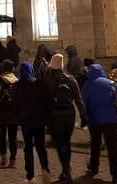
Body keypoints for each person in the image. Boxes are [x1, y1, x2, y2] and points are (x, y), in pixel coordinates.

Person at [44, 53, 86, 183]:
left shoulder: (48, 79)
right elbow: (79, 100)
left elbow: (44, 98)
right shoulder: (71, 79)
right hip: (69, 113)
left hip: (55, 114)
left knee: (59, 143)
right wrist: (84, 116)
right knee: (66, 143)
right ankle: (66, 170)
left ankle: (66, 170)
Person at [82, 64, 117, 184]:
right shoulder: (110, 83)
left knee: (95, 146)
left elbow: (83, 103)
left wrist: (84, 117)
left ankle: (93, 167)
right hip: (111, 120)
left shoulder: (88, 85)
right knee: (112, 148)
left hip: (94, 120)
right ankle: (116, 175)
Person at [15, 61, 51, 184]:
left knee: (28, 148)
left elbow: (15, 105)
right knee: (41, 147)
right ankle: (45, 168)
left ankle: (30, 175)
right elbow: (47, 101)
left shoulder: (17, 85)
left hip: (26, 121)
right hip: (39, 120)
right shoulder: (39, 83)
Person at [0, 59, 19, 168]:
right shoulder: (16, 80)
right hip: (13, 113)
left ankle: (3, 158)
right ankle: (13, 160)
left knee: (2, 136)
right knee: (13, 137)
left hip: (1, 112)